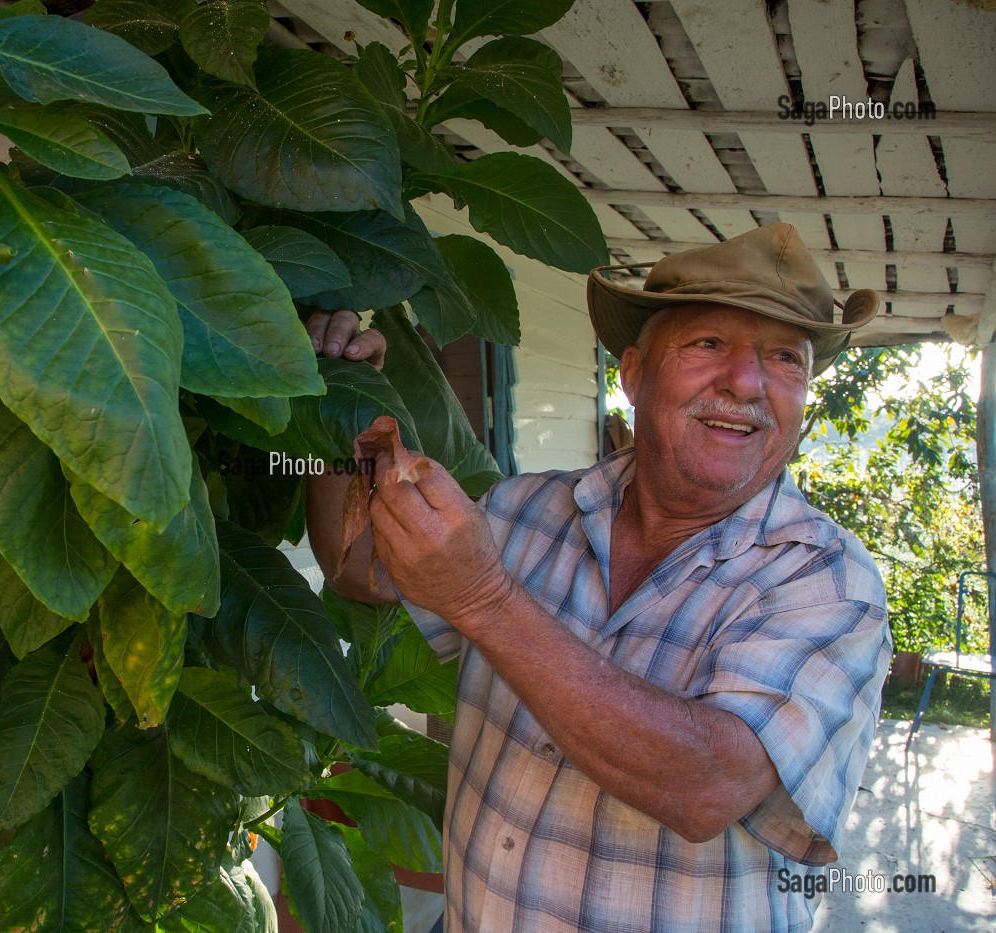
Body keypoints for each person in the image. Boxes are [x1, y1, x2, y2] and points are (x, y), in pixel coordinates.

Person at [305, 223, 892, 932]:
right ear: (635, 374)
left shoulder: (829, 581)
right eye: (709, 343)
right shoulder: (527, 509)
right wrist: (337, 398)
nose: (746, 381)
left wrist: (485, 599)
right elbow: (360, 564)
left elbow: (708, 785)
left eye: (783, 359)